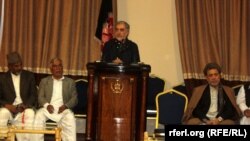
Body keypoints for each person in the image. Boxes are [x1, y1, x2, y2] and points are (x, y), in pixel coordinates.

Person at [33, 58, 78, 141]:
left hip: (64, 109)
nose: (58, 68)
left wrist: (66, 106)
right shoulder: (44, 81)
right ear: (51, 69)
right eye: (55, 66)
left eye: (60, 66)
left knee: (70, 118)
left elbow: (74, 99)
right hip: (48, 109)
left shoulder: (70, 82)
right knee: (38, 115)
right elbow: (40, 97)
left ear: (62, 68)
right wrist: (47, 105)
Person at [0, 51, 37, 141]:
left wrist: (26, 105)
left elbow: (33, 95)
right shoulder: (2, 78)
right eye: (16, 66)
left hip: (24, 107)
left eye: (21, 65)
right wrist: (7, 106)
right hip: (9, 108)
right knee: (2, 114)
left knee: (30, 113)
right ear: (9, 66)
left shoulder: (29, 76)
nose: (19, 68)